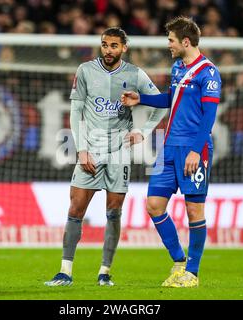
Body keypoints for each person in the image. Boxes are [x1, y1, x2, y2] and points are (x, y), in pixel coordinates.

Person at [44, 27, 168, 286]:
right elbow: (75, 112)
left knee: (114, 211)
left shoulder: (135, 74)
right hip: (90, 149)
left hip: (119, 152)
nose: (108, 50)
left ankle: (104, 272)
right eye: (104, 45)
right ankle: (65, 271)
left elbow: (160, 103)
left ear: (124, 47)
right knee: (76, 208)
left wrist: (143, 132)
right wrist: (81, 149)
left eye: (113, 45)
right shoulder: (85, 71)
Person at [121, 16, 221, 288]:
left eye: (171, 41)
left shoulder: (208, 73)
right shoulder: (178, 67)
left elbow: (208, 118)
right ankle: (179, 261)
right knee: (153, 205)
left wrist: (195, 151)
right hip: (168, 147)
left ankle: (193, 273)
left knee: (194, 210)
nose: (169, 45)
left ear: (185, 41)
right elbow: (170, 98)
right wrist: (141, 99)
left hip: (193, 148)